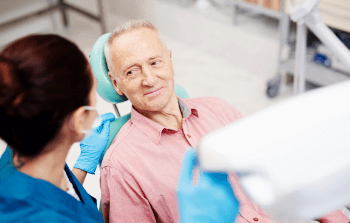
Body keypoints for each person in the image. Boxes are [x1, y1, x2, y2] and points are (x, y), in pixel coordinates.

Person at [100, 20, 350, 223]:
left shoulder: (219, 109)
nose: (149, 78)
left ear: (170, 60)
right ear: (116, 83)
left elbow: (284, 171)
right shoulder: (122, 166)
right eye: (132, 71)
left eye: (155, 62)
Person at [0, 34, 115, 223]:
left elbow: (55, 198)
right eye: (93, 93)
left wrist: (83, 166)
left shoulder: (20, 146)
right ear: (79, 119)